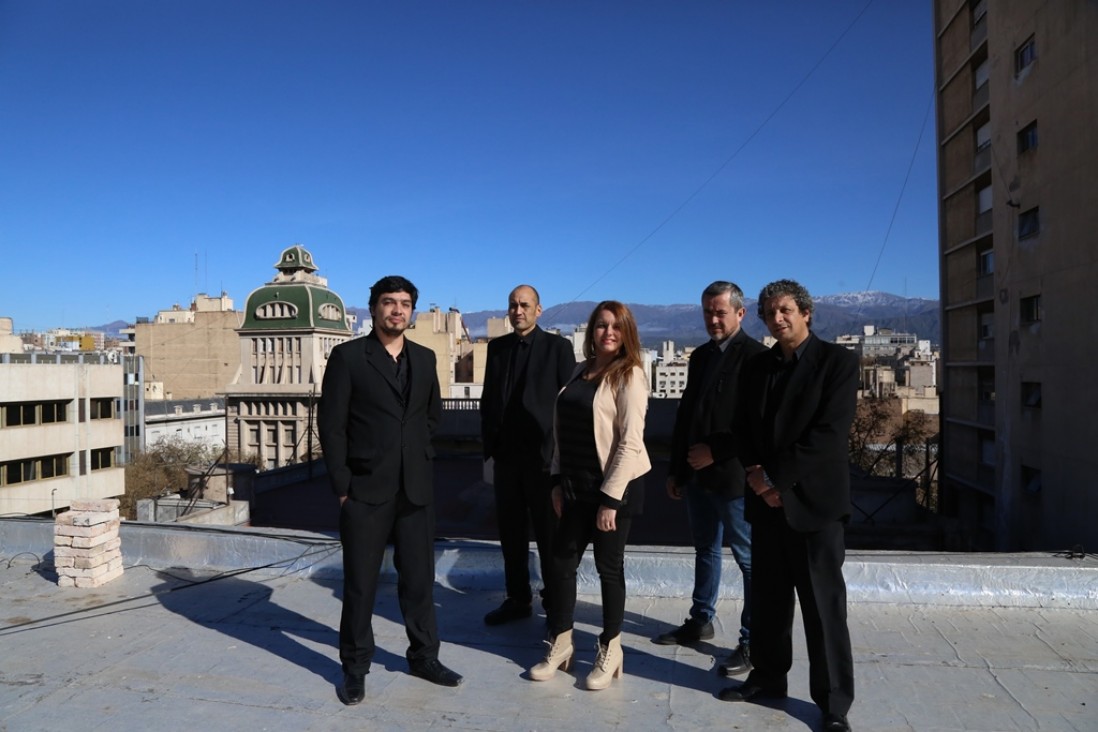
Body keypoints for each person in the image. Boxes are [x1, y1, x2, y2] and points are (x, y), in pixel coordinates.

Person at [719, 280, 858, 732]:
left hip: (814, 507)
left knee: (823, 609)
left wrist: (776, 478)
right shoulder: (757, 367)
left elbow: (829, 436)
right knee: (769, 601)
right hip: (766, 503)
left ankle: (833, 705)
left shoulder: (836, 363)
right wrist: (759, 480)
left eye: (785, 310)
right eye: (769, 312)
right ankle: (768, 677)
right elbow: (741, 427)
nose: (777, 319)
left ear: (806, 313)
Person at [318, 275, 462, 707]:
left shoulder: (424, 356)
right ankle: (355, 668)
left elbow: (430, 416)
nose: (397, 310)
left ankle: (424, 657)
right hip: (365, 489)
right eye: (388, 302)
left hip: (415, 489)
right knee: (360, 586)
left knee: (419, 581)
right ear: (373, 309)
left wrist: (415, 456)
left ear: (412, 311)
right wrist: (343, 486)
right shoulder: (348, 358)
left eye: (404, 303)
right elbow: (331, 426)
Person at [528, 300, 651, 691]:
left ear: (627, 332)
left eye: (616, 326)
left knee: (608, 568)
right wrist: (555, 480)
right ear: (591, 331)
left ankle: (611, 647)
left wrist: (610, 500)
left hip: (614, 488)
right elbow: (563, 431)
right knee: (561, 563)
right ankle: (561, 642)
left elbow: (631, 444)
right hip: (574, 486)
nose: (608, 332)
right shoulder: (581, 371)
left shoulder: (629, 375)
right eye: (601, 325)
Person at [653, 281, 766, 679]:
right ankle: (701, 619)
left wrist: (715, 453)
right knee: (705, 549)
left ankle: (753, 641)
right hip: (697, 476)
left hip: (732, 478)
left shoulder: (755, 358)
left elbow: (757, 423)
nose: (713, 319)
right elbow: (687, 416)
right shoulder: (700, 357)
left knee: (750, 561)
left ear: (740, 312)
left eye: (719, 312)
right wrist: (677, 469)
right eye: (707, 312)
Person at [480, 285, 576, 626]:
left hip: (543, 461)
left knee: (550, 535)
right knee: (511, 533)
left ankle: (555, 602)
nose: (517, 310)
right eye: (512, 305)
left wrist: (559, 461)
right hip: (506, 459)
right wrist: (488, 450)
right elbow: (489, 400)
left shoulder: (558, 348)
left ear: (538, 310)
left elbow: (569, 407)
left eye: (524, 305)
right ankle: (517, 598)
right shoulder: (497, 349)